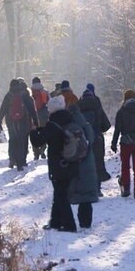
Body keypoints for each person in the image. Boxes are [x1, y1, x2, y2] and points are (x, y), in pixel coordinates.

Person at [30, 95, 78, 232]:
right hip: (71, 161)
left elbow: (37, 142)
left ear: (52, 109)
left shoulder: (53, 124)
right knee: (59, 193)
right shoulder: (69, 119)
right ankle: (55, 222)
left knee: (61, 195)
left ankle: (70, 225)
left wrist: (33, 131)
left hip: (58, 165)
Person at [62, 90, 99, 229]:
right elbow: (92, 139)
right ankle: (86, 223)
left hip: (73, 163)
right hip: (87, 162)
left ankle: (72, 221)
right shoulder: (85, 125)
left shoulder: (67, 126)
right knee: (86, 198)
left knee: (74, 191)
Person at [0, 79, 39, 171]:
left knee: (12, 140)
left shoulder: (8, 95)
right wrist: (36, 121)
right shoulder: (24, 95)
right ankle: (21, 162)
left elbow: (3, 109)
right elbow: (32, 109)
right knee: (22, 140)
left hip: (10, 121)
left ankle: (12, 159)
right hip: (23, 121)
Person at [78, 88, 111, 197]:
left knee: (84, 163)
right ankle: (97, 188)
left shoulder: (78, 107)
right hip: (97, 139)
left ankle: (87, 188)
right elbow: (107, 125)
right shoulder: (98, 107)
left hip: (83, 140)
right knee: (98, 163)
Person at [30, 77, 50, 160]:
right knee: (44, 132)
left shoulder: (30, 93)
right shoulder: (45, 92)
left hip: (34, 115)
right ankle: (42, 149)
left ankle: (36, 153)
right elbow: (50, 103)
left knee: (34, 133)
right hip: (44, 114)